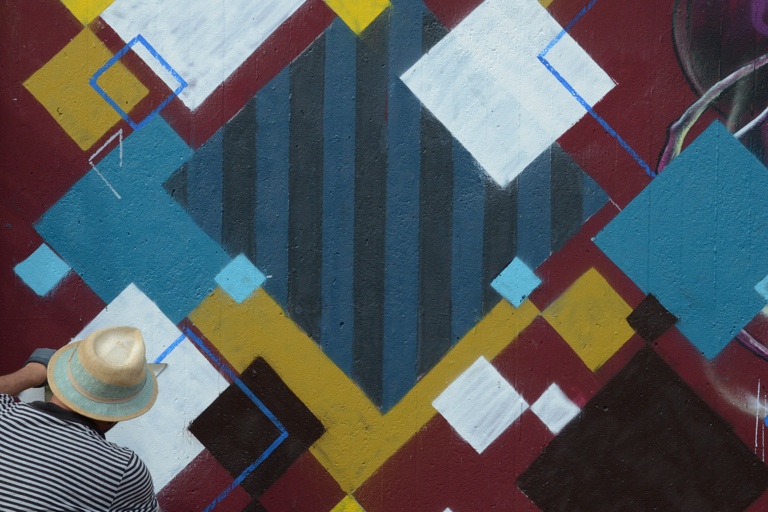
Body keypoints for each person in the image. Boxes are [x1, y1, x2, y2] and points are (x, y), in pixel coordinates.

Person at [0, 326, 160, 511]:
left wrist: (34, 373)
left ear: (61, 376)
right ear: (119, 413)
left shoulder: (4, 414)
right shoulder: (124, 469)